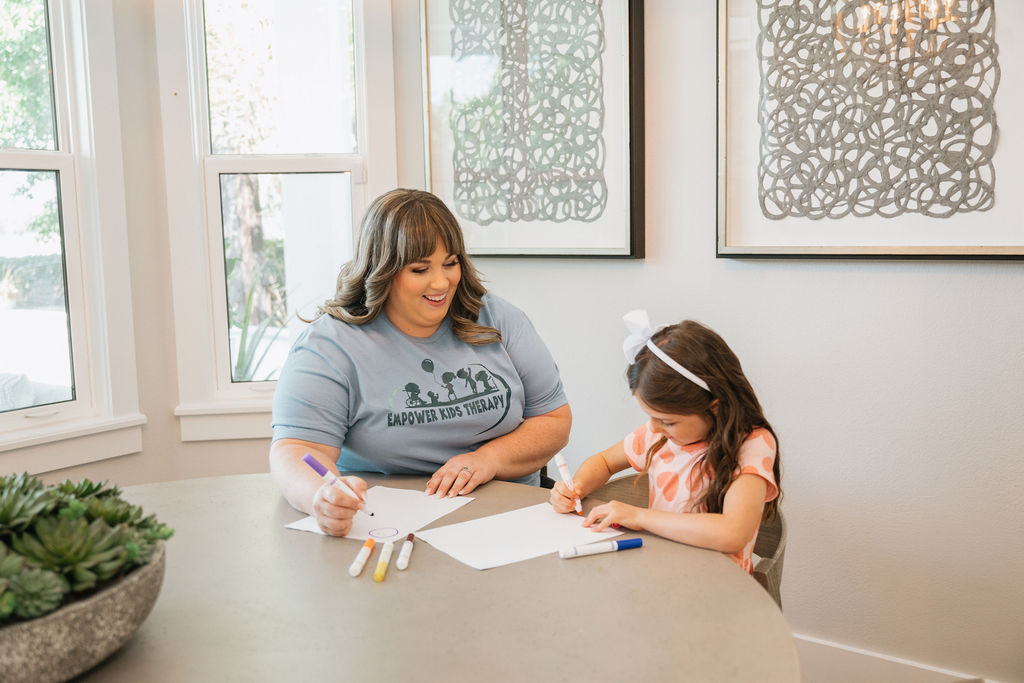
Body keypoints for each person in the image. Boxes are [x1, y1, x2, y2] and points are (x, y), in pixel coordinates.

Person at [270, 188, 571, 536]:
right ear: (382, 270)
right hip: (385, 523)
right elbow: (297, 449)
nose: (441, 282)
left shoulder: (499, 318)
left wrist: (488, 460)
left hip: (511, 515)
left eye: (450, 263)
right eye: (420, 269)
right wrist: (320, 497)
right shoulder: (329, 346)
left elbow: (553, 419)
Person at [549, 310, 780, 573]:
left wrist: (639, 516)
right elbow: (603, 462)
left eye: (667, 421)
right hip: (663, 574)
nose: (654, 428)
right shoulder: (659, 434)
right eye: (651, 417)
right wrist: (576, 488)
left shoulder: (752, 444)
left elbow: (733, 533)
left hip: (719, 588)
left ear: (714, 407)